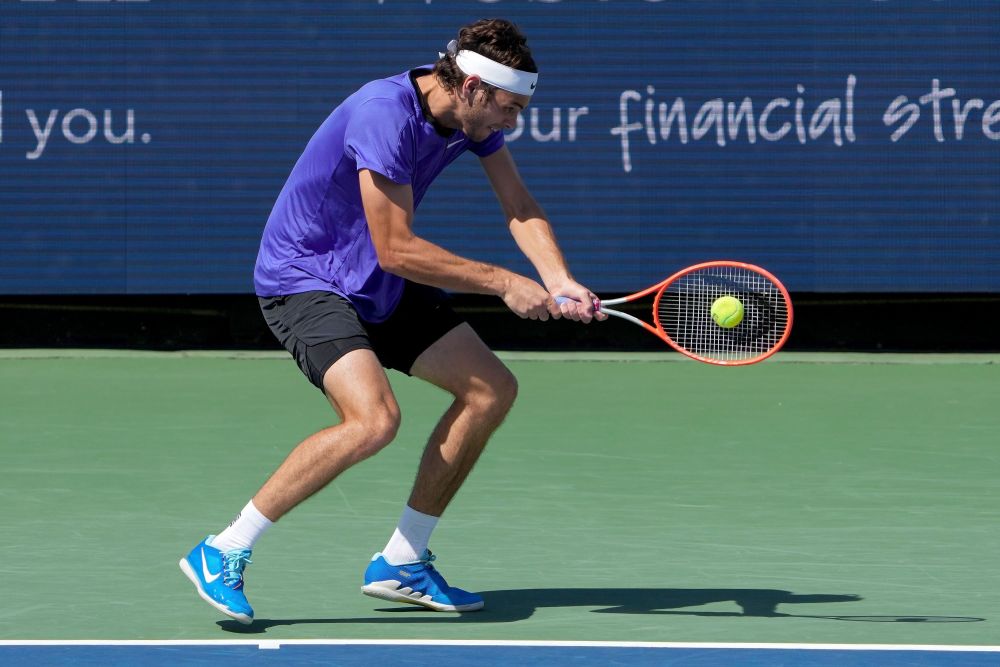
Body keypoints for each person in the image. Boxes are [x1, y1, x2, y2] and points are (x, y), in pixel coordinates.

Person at [179, 17, 605, 625]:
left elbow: (519, 205)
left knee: (490, 390)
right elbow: (397, 249)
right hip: (307, 278)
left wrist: (557, 278)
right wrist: (507, 282)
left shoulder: (465, 117)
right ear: (473, 89)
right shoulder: (385, 112)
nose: (513, 122)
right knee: (373, 420)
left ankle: (403, 561)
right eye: (508, 108)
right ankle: (223, 549)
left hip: (372, 279)